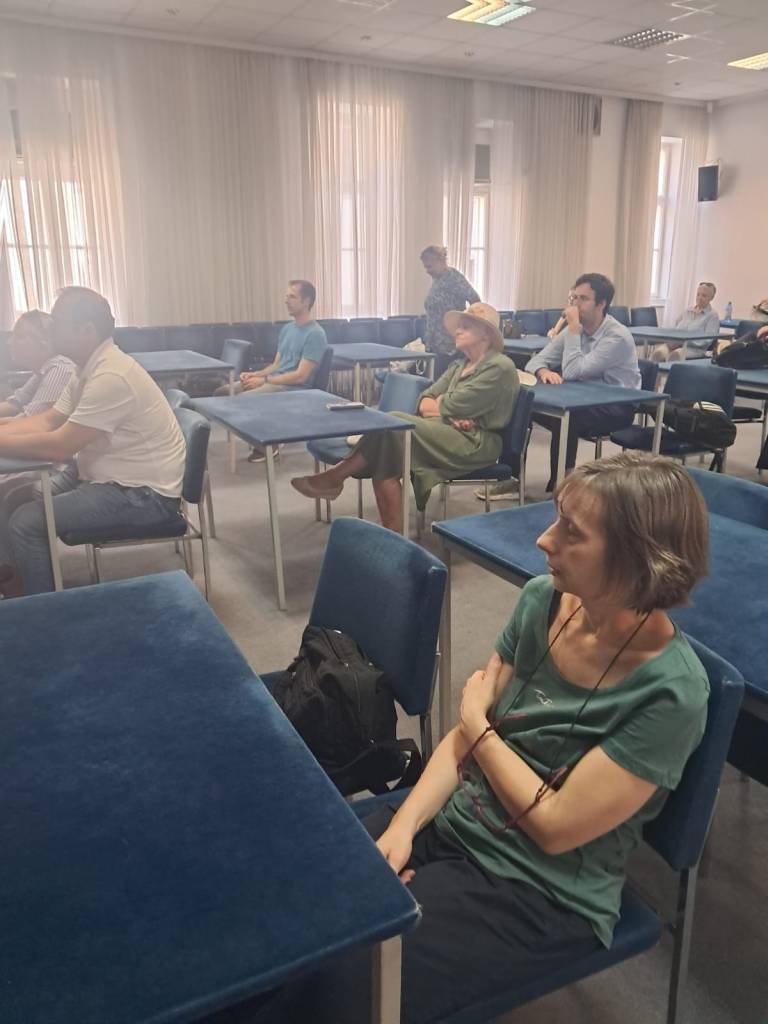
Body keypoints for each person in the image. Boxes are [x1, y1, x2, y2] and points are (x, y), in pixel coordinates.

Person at [251, 451, 711, 1024]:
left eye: (572, 532)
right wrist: (403, 828)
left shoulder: (671, 692)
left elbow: (554, 826)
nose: (545, 540)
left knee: (344, 982)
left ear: (639, 560)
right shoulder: (543, 601)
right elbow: (459, 745)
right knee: (289, 898)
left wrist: (477, 725)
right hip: (459, 820)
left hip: (540, 888)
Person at [0, 286, 186, 598]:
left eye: (57, 323)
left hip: (142, 494)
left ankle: (42, 610)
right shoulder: (85, 369)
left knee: (26, 521)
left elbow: (59, 446)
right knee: (11, 496)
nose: (50, 329)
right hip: (103, 475)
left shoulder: (111, 375)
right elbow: (47, 420)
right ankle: (18, 585)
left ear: (85, 330)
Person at [290, 303, 519, 532]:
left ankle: (337, 478)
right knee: (388, 445)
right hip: (446, 430)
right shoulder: (459, 365)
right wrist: (449, 412)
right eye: (459, 326)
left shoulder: (499, 367)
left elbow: (451, 404)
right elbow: (424, 401)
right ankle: (392, 534)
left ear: (486, 334)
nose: (457, 331)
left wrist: (446, 407)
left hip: (476, 442)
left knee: (394, 424)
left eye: (466, 327)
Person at [481, 273, 640, 500]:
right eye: (573, 298)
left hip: (617, 405)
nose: (575, 305)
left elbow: (574, 372)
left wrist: (573, 329)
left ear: (601, 304)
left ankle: (563, 486)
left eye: (583, 299)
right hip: (580, 397)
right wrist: (543, 371)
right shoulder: (573, 330)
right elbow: (535, 361)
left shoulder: (616, 337)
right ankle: (512, 479)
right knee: (521, 406)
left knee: (567, 417)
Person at [216, 280, 327, 462]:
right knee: (223, 392)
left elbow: (301, 376)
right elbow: (276, 364)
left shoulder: (315, 334)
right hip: (275, 380)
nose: (286, 300)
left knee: (243, 400)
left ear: (306, 301)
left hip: (293, 388)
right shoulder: (288, 329)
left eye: (292, 297)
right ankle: (261, 433)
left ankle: (270, 443)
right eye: (286, 296)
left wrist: (264, 381)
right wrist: (256, 375)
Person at [0, 310, 76, 420]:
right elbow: (15, 403)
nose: (9, 342)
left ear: (43, 341)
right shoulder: (42, 371)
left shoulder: (59, 369)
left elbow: (28, 420)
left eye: (19, 336)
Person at [421, 244, 480, 376]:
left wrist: (468, 327)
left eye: (429, 266)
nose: (427, 271)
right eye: (425, 267)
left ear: (440, 261)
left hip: (450, 346)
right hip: (435, 344)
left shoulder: (454, 278)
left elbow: (475, 300)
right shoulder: (437, 280)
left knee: (447, 384)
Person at [651, 282, 720, 362]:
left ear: (711, 298)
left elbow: (707, 340)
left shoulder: (712, 316)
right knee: (657, 354)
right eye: (698, 294)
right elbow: (675, 327)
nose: (699, 298)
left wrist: (682, 342)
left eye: (704, 296)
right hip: (676, 343)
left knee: (675, 356)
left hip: (694, 349)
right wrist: (670, 339)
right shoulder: (688, 311)